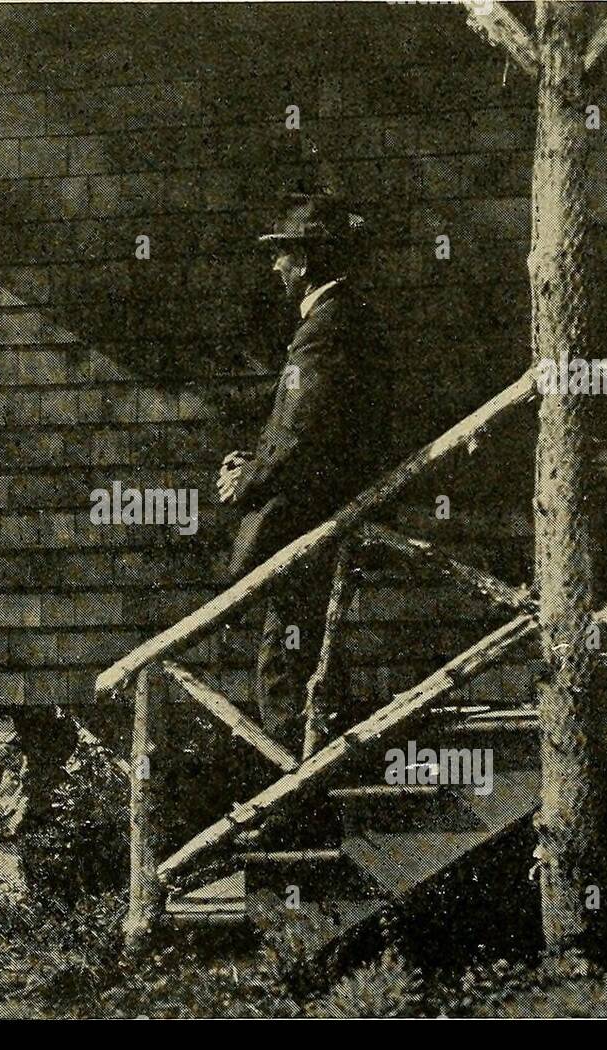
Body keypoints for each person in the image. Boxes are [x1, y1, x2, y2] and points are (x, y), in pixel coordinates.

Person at [219, 192, 391, 752]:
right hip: (325, 512)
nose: (275, 266)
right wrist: (255, 463)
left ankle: (298, 795)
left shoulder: (326, 327)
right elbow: (302, 431)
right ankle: (312, 781)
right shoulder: (343, 319)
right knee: (311, 652)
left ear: (308, 260)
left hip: (311, 518)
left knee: (286, 660)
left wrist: (246, 481)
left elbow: (301, 437)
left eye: (282, 254)